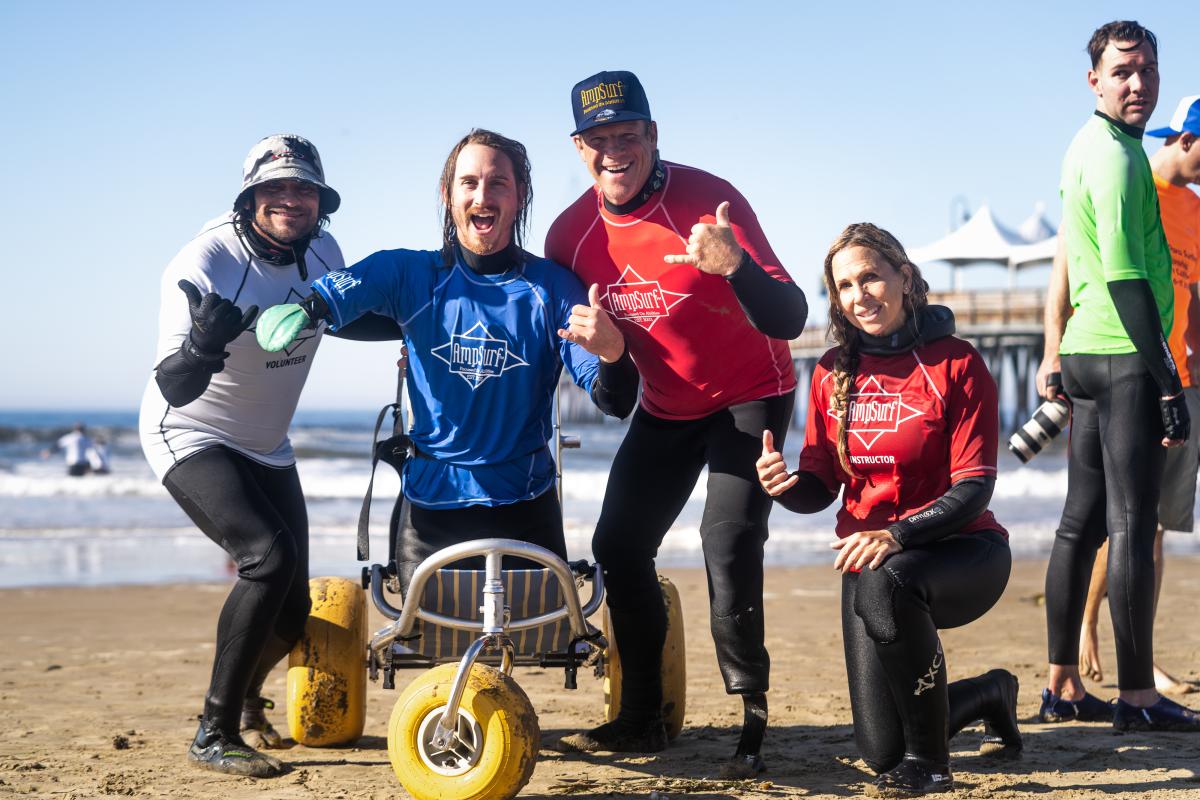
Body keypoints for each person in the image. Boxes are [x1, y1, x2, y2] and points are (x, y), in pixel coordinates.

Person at [546, 70, 808, 774]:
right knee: (619, 545)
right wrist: (609, 354)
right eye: (598, 140)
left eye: (627, 135)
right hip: (667, 409)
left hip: (751, 394)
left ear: (652, 136)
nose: (614, 152)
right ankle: (641, 718)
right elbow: (615, 397)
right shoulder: (570, 238)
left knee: (725, 542)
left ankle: (751, 719)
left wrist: (733, 268)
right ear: (578, 148)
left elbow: (790, 316)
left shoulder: (706, 201)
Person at [256, 129, 638, 590]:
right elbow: (351, 288)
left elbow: (614, 402)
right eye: (469, 182)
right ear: (448, 195)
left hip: (526, 507)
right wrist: (308, 307)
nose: (483, 195)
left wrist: (614, 352)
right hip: (430, 511)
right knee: (431, 639)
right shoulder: (411, 274)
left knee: (541, 634)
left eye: (498, 183)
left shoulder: (552, 289)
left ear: (520, 197)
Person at [757, 223, 1020, 797]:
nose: (860, 295)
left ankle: (931, 764)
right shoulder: (831, 371)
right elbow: (821, 485)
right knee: (880, 750)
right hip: (874, 557)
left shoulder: (956, 364)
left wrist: (898, 534)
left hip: (962, 550)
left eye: (871, 276)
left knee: (884, 584)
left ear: (904, 276)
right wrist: (784, 486)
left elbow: (974, 487)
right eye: (845, 286)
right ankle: (989, 693)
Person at [139, 134, 349, 777]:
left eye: (304, 189)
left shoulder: (325, 253)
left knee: (293, 611)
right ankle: (214, 731)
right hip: (190, 430)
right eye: (276, 188)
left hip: (267, 444)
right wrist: (203, 344)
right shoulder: (206, 262)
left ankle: (247, 701)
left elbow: (352, 313)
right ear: (250, 196)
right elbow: (173, 385)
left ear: (320, 202)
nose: (291, 199)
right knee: (268, 557)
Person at [1038, 20, 1200, 733]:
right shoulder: (1118, 159)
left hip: (1085, 352)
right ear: (1095, 79)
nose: (1139, 83)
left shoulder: (1088, 146)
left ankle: (1062, 685)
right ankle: (1137, 698)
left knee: (1081, 523)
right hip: (1123, 354)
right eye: (1124, 71)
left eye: (1149, 69)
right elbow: (1127, 276)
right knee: (1132, 526)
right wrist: (1167, 381)